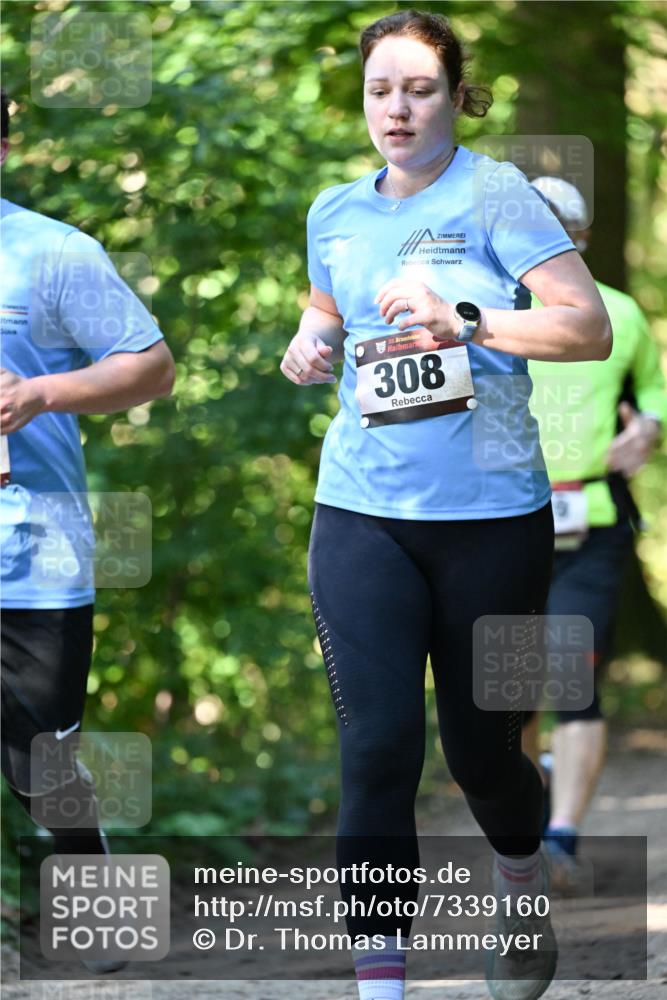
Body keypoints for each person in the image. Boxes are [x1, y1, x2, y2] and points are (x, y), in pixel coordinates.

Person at [280, 11, 611, 1000]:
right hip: (361, 513)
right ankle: (381, 983)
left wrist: (462, 318)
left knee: (485, 757)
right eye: (380, 88)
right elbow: (325, 306)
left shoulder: (497, 194)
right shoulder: (335, 209)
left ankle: (519, 876)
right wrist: (307, 344)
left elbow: (585, 329)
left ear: (452, 94)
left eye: (417, 88)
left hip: (493, 520)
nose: (395, 107)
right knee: (377, 747)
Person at [0, 89, 175, 971]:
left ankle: (98, 901)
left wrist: (38, 393)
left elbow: (150, 366)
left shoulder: (55, 253)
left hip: (33, 558)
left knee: (43, 769)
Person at [521, 176, 666, 869]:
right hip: (497, 524)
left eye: (560, 226)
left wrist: (650, 430)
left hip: (591, 522)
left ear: (579, 238)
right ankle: (523, 815)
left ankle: (562, 836)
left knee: (571, 679)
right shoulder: (488, 313)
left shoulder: (617, 314)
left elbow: (654, 392)